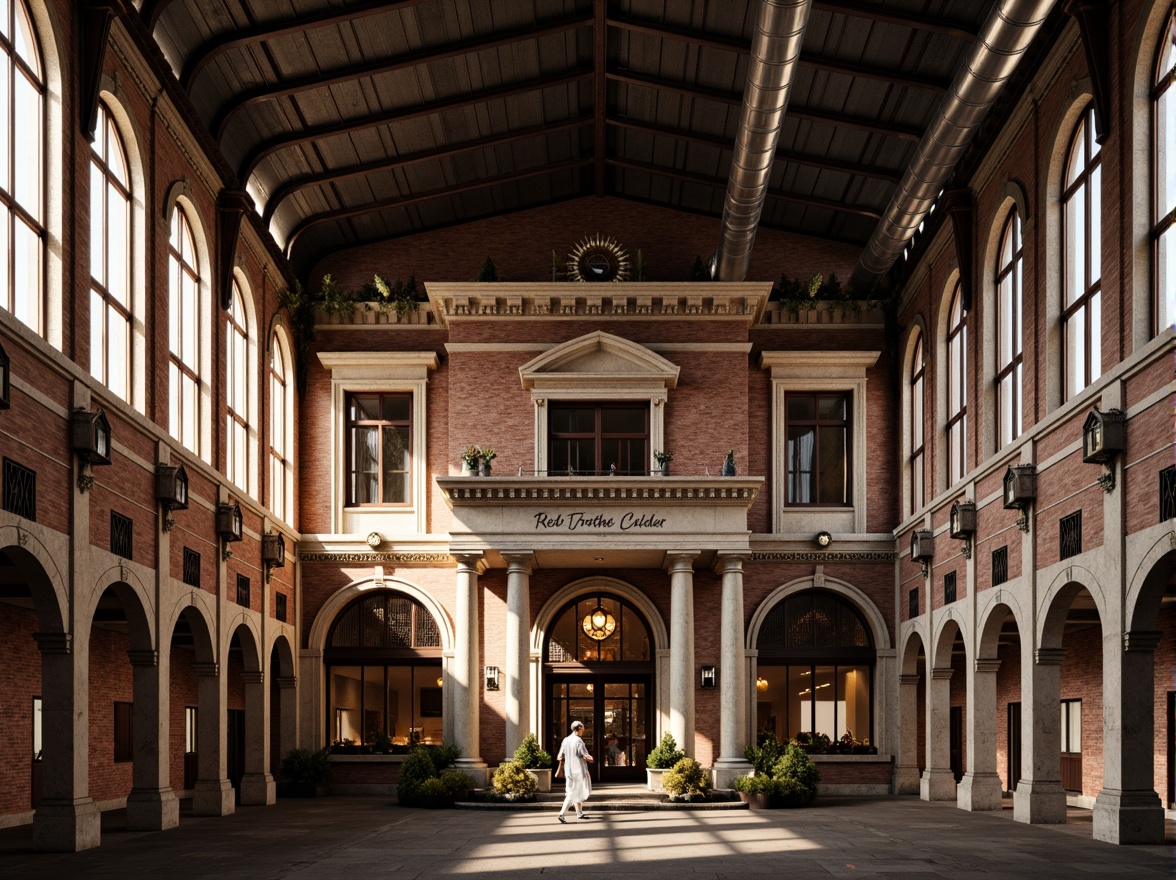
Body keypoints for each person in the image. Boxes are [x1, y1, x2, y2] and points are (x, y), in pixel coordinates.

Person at [555, 720, 593, 822]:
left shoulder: (566, 740)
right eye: (583, 727)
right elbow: (585, 755)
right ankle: (561, 813)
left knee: (575, 791)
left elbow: (559, 756)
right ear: (579, 728)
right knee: (572, 793)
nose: (584, 729)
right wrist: (591, 758)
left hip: (568, 770)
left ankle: (579, 813)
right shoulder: (579, 741)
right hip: (579, 770)